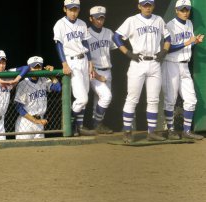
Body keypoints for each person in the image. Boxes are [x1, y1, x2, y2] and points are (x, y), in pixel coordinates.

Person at [113, 0, 171, 143]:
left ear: (153, 6)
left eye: (149, 5)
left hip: (155, 62)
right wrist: (128, 53)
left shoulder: (159, 20)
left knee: (153, 99)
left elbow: (168, 37)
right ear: (139, 6)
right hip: (138, 62)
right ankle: (127, 132)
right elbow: (116, 37)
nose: (147, 7)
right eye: (145, 5)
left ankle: (151, 132)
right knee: (132, 98)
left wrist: (164, 50)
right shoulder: (132, 20)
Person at [162, 0, 204, 140]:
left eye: (187, 9)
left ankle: (186, 131)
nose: (185, 12)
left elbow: (187, 46)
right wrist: (188, 42)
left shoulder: (190, 24)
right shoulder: (170, 25)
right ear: (176, 10)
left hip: (184, 65)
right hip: (171, 64)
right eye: (182, 9)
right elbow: (167, 49)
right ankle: (170, 130)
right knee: (170, 100)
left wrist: (194, 42)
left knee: (191, 99)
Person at [53, 0, 96, 136]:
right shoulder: (60, 24)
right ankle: (69, 123)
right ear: (65, 9)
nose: (73, 12)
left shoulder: (82, 23)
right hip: (72, 61)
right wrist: (64, 63)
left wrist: (90, 62)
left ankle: (79, 127)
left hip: (84, 60)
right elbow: (58, 44)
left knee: (84, 96)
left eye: (75, 9)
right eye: (71, 9)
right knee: (82, 98)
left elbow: (85, 43)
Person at [86, 5, 118, 134]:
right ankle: (97, 124)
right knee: (106, 97)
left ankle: (96, 127)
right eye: (97, 18)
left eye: (102, 18)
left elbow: (114, 48)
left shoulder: (109, 32)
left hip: (107, 70)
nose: (99, 21)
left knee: (99, 101)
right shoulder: (86, 33)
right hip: (94, 71)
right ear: (91, 18)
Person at [13, 56, 62, 140]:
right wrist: (35, 121)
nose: (37, 69)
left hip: (40, 121)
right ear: (29, 67)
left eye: (39, 67)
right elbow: (18, 107)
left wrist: (51, 74)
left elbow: (58, 88)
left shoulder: (43, 79)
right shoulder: (23, 84)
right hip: (26, 122)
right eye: (34, 67)